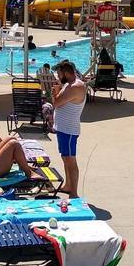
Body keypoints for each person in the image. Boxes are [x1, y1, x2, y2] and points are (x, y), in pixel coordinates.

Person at [52, 59, 86, 198]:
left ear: (66, 73)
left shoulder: (74, 87)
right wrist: (60, 89)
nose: (58, 76)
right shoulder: (69, 84)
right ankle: (68, 186)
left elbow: (56, 103)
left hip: (69, 130)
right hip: (64, 129)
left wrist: (55, 93)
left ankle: (74, 193)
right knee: (65, 158)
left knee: (70, 160)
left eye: (60, 74)